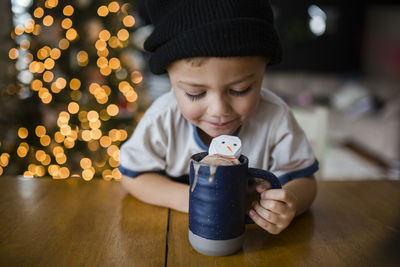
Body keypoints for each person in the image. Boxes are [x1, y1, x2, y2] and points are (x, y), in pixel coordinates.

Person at [119, 0, 318, 235]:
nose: (218, 110)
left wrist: (290, 202)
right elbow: (134, 176)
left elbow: (306, 181)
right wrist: (191, 200)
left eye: (240, 89)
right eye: (195, 93)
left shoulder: (275, 118)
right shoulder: (163, 119)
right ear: (171, 79)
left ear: (263, 71)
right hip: (172, 233)